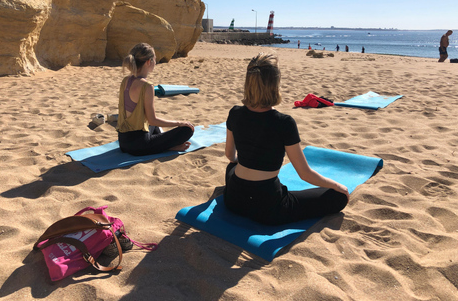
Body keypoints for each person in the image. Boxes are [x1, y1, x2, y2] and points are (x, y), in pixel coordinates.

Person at [223, 53, 349, 225]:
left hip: (233, 200)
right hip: (268, 208)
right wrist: (335, 185)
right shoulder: (283, 122)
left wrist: (242, 162)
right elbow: (305, 174)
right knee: (338, 197)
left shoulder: (235, 112)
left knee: (232, 167)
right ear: (275, 85)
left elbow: (230, 155)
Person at [117, 43, 194, 156]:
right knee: (187, 129)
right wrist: (180, 123)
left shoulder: (126, 80)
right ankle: (168, 147)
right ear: (149, 62)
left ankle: (166, 145)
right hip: (138, 146)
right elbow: (152, 120)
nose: (155, 63)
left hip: (123, 142)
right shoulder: (147, 86)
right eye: (154, 60)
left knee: (152, 123)